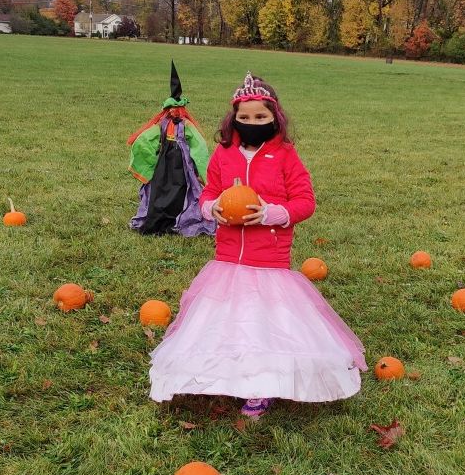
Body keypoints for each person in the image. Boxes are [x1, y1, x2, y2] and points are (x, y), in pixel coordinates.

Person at [149, 72, 367, 418]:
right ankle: (220, 374)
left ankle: (262, 386)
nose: (252, 122)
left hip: (269, 262)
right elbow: (209, 191)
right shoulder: (223, 155)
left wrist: (271, 213)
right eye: (245, 117)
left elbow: (305, 201)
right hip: (227, 262)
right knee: (226, 321)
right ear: (233, 118)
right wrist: (212, 208)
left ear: (274, 118)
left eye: (260, 117)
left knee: (264, 326)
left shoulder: (285, 156)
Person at [127, 61, 215, 237]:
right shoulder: (162, 125)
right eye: (172, 109)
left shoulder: (186, 126)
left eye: (177, 109)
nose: (175, 112)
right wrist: (148, 159)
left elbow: (199, 148)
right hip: (164, 165)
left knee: (183, 189)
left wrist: (205, 173)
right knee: (160, 188)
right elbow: (145, 140)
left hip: (181, 165)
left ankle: (179, 217)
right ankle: (162, 217)